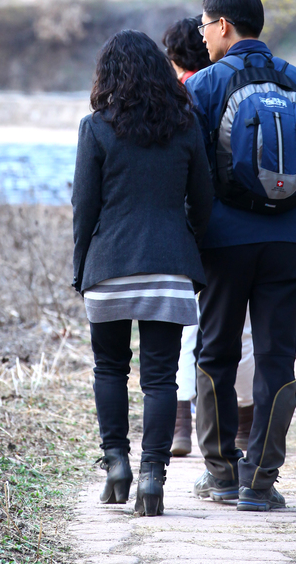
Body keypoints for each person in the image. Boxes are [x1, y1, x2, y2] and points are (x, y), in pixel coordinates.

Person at [186, 0, 296, 512]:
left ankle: (221, 475)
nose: (201, 35)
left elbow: (189, 170)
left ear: (224, 26)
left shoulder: (205, 86)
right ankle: (260, 481)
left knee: (216, 352)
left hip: (224, 242)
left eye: (204, 25)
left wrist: (193, 237)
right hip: (289, 240)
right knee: (277, 356)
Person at [72, 29, 213, 515]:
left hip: (108, 267)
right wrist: (186, 241)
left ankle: (116, 463)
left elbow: (84, 207)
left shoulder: (96, 127)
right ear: (158, 69)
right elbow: (204, 201)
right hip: (169, 267)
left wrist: (80, 270)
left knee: (109, 368)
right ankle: (153, 476)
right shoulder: (185, 124)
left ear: (107, 74)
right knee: (160, 379)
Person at [162, 17, 257, 458]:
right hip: (243, 227)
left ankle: (183, 426)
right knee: (244, 334)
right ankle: (242, 424)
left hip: (197, 231)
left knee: (189, 328)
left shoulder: (185, 95)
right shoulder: (235, 85)